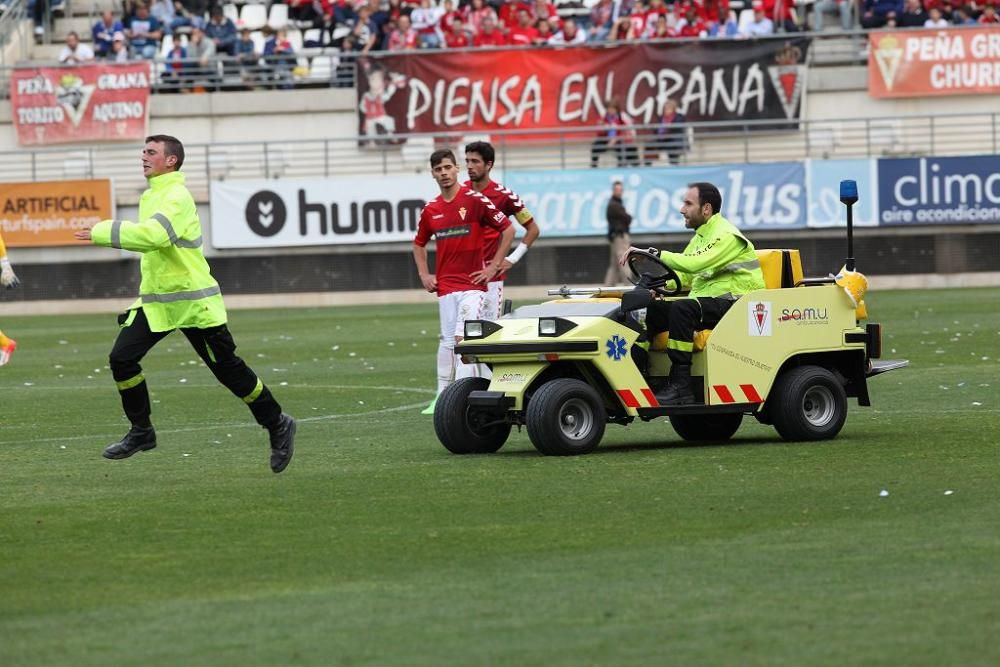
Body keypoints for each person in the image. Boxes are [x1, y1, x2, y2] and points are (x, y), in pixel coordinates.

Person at [72, 135, 296, 472]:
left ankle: (277, 422)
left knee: (229, 371)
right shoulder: (154, 195)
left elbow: (154, 237)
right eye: (143, 151)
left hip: (193, 303)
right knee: (122, 359)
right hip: (159, 303)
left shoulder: (176, 196)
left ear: (171, 160)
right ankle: (142, 431)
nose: (143, 156)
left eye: (151, 152)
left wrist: (103, 230)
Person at [621, 182, 764, 404]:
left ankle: (681, 385)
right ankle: (638, 373)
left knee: (683, 307)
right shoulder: (700, 237)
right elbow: (684, 277)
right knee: (646, 309)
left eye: (688, 203)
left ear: (706, 209)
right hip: (707, 304)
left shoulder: (726, 235)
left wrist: (652, 252)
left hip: (738, 304)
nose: (682, 209)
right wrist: (655, 288)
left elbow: (695, 264)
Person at [412, 149, 515, 413]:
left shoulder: (475, 200)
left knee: (462, 339)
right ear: (433, 173)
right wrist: (424, 274)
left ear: (456, 169)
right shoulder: (431, 210)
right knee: (447, 341)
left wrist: (493, 267)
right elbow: (419, 243)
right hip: (446, 286)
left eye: (448, 167)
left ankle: (461, 400)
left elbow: (508, 229)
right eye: (438, 169)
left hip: (473, 286)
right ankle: (441, 396)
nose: (444, 173)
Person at [463, 140, 541, 323]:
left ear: (489, 165)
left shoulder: (505, 196)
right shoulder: (460, 192)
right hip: (462, 273)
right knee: (459, 335)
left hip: (491, 276)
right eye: (467, 161)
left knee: (486, 331)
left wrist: (512, 259)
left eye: (475, 161)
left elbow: (533, 230)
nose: (469, 166)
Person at [590, 99, 638, 168]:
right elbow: (599, 133)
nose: (610, 111)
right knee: (596, 146)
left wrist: (616, 138)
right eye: (608, 109)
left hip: (621, 140)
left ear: (616, 109)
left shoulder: (622, 117)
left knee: (624, 150)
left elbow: (628, 132)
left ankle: (622, 166)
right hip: (608, 140)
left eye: (612, 109)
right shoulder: (605, 117)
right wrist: (603, 127)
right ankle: (594, 165)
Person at [643, 98, 687, 166]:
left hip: (673, 140)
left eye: (669, 108)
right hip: (662, 140)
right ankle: (648, 165)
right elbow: (657, 131)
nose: (666, 110)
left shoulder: (678, 118)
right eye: (665, 109)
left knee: (672, 147)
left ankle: (674, 165)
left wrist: (668, 127)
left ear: (673, 109)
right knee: (649, 144)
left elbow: (678, 129)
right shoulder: (662, 118)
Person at [604, 180, 632, 286]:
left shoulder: (616, 204)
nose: (620, 192)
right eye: (617, 190)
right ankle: (629, 285)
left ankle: (608, 287)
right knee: (623, 261)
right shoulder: (614, 205)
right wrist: (627, 218)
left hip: (616, 237)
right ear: (613, 191)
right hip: (619, 237)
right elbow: (627, 218)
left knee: (615, 265)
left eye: (621, 190)